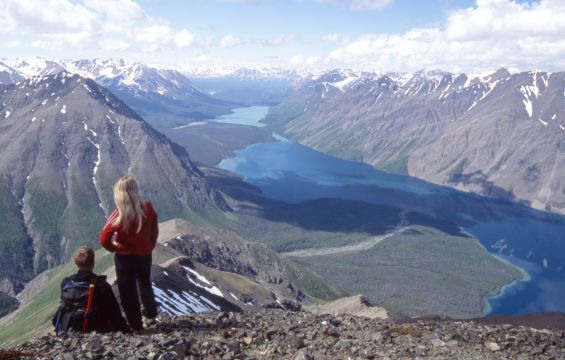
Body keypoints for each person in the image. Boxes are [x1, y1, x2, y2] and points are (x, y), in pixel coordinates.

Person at [99, 175, 159, 331]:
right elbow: (154, 230)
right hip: (144, 255)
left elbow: (104, 238)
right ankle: (151, 313)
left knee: (127, 291)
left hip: (124, 259)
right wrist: (149, 245)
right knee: (145, 283)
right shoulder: (148, 208)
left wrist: (115, 248)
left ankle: (136, 326)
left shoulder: (118, 214)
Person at [52, 246, 130, 334]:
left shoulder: (66, 283)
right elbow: (115, 313)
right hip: (94, 329)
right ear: (93, 263)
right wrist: (127, 332)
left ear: (76, 263)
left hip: (66, 327)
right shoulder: (101, 285)